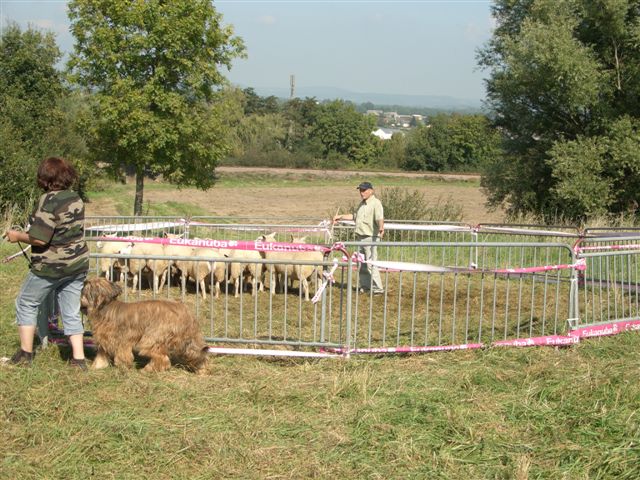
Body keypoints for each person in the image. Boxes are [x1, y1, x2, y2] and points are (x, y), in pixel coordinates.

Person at [4, 157, 90, 369]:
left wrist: (17, 236)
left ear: (45, 178)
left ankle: (25, 354)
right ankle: (78, 359)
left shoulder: (48, 200)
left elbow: (40, 239)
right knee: (70, 311)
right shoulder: (75, 198)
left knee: (26, 302)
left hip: (51, 267)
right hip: (77, 264)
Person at [333, 181, 385, 294]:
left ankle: (378, 289)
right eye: (361, 190)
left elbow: (379, 218)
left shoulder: (376, 203)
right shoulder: (361, 204)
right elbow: (354, 216)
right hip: (360, 238)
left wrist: (381, 227)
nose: (362, 193)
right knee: (361, 264)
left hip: (370, 238)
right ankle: (365, 287)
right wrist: (340, 216)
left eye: (364, 190)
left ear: (371, 191)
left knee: (371, 263)